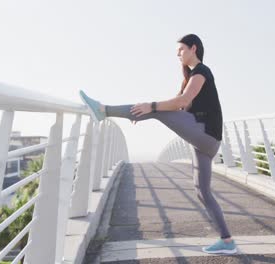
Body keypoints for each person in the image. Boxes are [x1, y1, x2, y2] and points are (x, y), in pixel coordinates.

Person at [79, 33, 237, 255]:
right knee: (202, 191)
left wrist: (149, 107)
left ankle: (104, 110)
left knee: (155, 111)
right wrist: (145, 110)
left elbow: (181, 103)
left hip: (206, 134)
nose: (178, 55)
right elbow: (176, 105)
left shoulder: (202, 72)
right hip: (203, 140)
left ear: (194, 48)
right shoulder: (189, 77)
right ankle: (227, 241)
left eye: (181, 50)